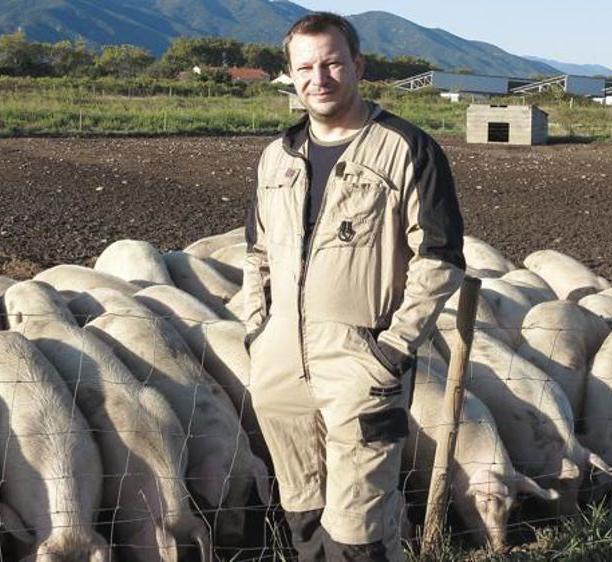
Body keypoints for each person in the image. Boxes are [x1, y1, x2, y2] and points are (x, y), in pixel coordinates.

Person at [240, 11, 466, 562]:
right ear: (290, 76)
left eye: (332, 62)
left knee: (359, 530)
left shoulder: (407, 148)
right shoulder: (277, 157)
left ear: (357, 66)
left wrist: (390, 351)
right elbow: (257, 253)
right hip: (280, 369)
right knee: (302, 515)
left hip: (360, 368)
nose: (319, 78)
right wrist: (256, 332)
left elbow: (439, 259)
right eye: (306, 67)